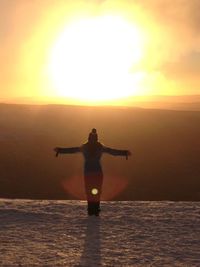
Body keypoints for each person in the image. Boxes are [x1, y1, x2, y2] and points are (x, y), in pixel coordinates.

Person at [54, 128, 131, 216]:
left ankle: (91, 210)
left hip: (88, 173)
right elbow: (112, 151)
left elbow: (72, 150)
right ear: (97, 138)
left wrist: (60, 150)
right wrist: (124, 153)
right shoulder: (100, 147)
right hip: (98, 172)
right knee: (97, 191)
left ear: (89, 138)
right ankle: (96, 209)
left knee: (88, 191)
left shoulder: (84, 147)